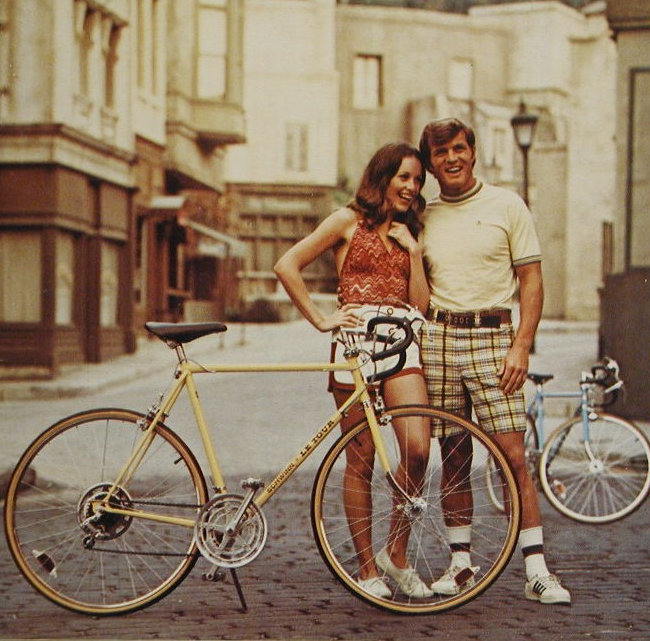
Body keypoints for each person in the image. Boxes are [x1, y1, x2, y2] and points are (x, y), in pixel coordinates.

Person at [417, 118, 571, 605]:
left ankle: (537, 570)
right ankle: (461, 566)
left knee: (513, 457)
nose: (452, 159)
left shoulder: (507, 204)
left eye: (459, 148)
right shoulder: (423, 214)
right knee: (454, 457)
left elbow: (531, 279)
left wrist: (522, 343)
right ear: (430, 163)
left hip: (492, 338)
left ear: (474, 151)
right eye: (441, 154)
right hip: (439, 338)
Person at [274, 142, 432, 599]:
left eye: (418, 181)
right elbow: (287, 265)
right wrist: (321, 318)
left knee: (418, 450)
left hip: (402, 343)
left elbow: (420, 306)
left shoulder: (408, 231)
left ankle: (395, 553)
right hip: (355, 345)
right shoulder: (347, 220)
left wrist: (415, 254)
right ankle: (367, 570)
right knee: (359, 460)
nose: (411, 187)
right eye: (404, 177)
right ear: (382, 177)